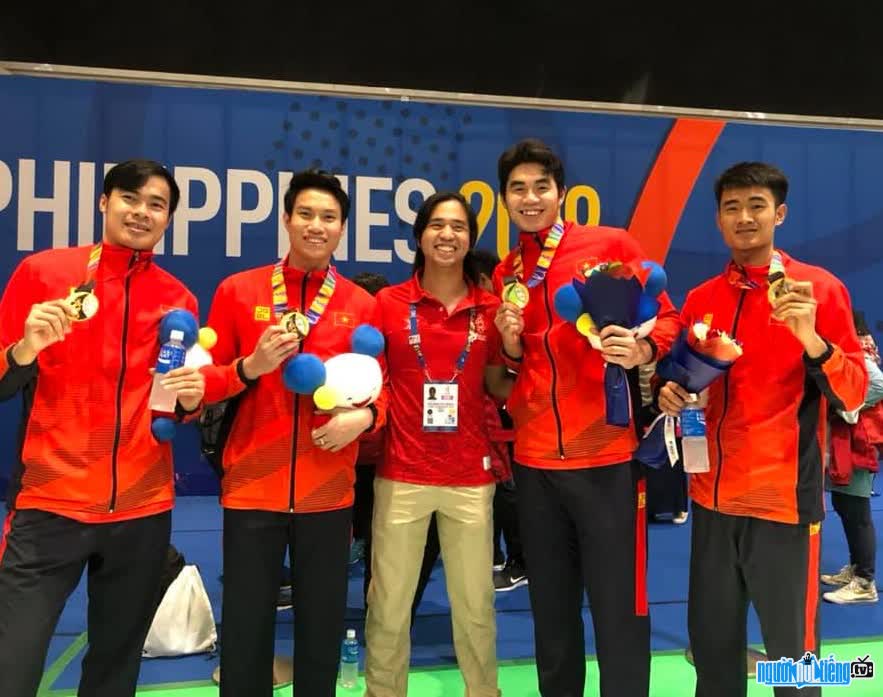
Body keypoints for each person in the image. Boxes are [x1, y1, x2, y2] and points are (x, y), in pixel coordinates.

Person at [658, 162, 867, 697]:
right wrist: (672, 393)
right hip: (710, 502)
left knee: (793, 661)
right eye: (731, 207)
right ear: (718, 219)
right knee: (713, 651)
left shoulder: (818, 290)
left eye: (756, 205)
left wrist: (812, 340)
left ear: (780, 213)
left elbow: (855, 394)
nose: (744, 217)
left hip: (782, 505)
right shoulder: (702, 298)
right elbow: (684, 381)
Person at [0, 160, 204, 697]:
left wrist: (189, 402)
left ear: (169, 218)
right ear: (104, 202)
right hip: (50, 502)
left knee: (115, 670)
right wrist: (23, 351)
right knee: (11, 664)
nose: (141, 212)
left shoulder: (177, 298)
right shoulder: (44, 273)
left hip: (141, 509)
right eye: (130, 198)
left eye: (157, 205)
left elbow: (173, 404)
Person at [492, 139, 680, 697]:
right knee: (551, 617)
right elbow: (513, 368)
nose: (530, 198)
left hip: (606, 460)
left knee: (620, 612)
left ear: (561, 193)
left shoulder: (608, 246)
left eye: (540, 187)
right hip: (535, 465)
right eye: (518, 189)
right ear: (506, 199)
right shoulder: (506, 272)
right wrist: (507, 343)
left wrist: (642, 352)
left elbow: (666, 322)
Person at [200, 170, 386, 697]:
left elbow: (383, 388)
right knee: (245, 625)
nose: (316, 226)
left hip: (327, 492)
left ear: (342, 228)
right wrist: (251, 365)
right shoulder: (239, 291)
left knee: (322, 626)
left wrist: (365, 419)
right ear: (286, 219)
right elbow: (205, 385)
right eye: (305, 214)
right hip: (252, 486)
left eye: (328, 217)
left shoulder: (361, 304)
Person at [364, 191, 504, 697]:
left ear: (470, 239)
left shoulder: (491, 308)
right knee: (389, 605)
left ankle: (483, 691)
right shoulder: (387, 304)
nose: (448, 235)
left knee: (475, 607)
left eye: (460, 227)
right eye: (438, 225)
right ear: (420, 235)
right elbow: (370, 380)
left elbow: (499, 386)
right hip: (402, 472)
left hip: (470, 476)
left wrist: (512, 349)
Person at [821, 310, 882, 604]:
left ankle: (865, 582)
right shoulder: (854, 348)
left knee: (857, 513)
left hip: (860, 442)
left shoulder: (859, 351)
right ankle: (857, 567)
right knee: (844, 504)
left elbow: (879, 385)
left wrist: (849, 406)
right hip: (846, 440)